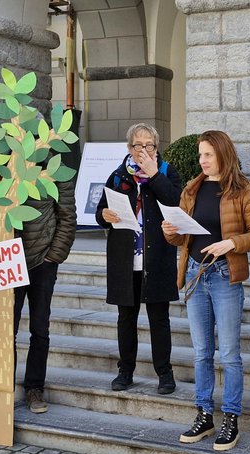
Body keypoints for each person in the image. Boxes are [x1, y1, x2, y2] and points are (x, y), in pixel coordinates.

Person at [162, 130, 250, 451]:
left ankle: (231, 419)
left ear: (223, 153)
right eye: (201, 155)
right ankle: (204, 414)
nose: (202, 160)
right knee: (202, 352)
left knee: (231, 355)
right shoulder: (192, 188)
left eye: (208, 154)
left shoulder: (242, 189)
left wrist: (232, 242)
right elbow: (182, 239)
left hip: (224, 276)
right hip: (195, 273)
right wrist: (171, 232)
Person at [0, 166, 77, 414]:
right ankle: (2, 387)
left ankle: (34, 389)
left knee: (39, 329)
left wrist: (53, 257)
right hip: (5, 261)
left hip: (42, 263)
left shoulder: (56, 170)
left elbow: (67, 218)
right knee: (4, 329)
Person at [96, 123, 181, 395]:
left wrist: (155, 175)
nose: (143, 150)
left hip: (156, 259)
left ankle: (165, 373)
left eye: (149, 145)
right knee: (126, 318)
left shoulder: (167, 172)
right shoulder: (119, 176)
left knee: (159, 318)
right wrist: (104, 217)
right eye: (138, 145)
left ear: (157, 148)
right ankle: (125, 371)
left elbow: (176, 202)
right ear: (129, 148)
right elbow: (101, 212)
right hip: (125, 261)